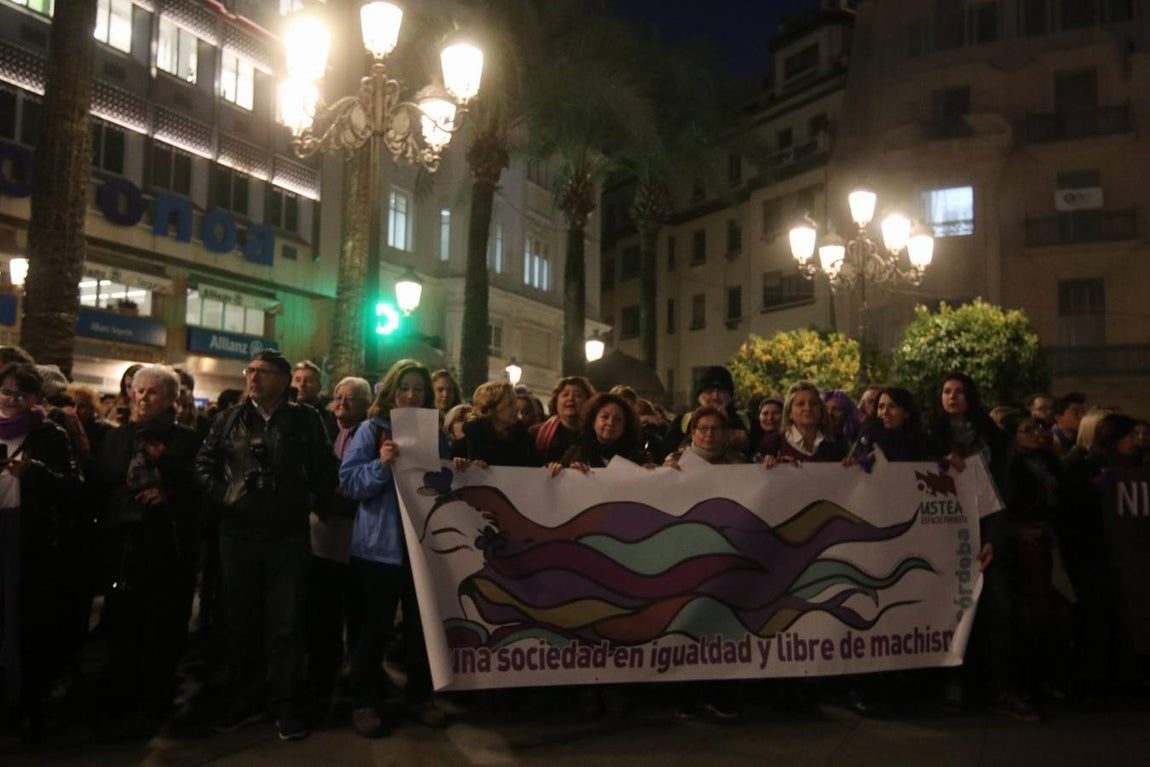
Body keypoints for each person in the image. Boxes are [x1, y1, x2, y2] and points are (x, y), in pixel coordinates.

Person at [194, 350, 338, 742]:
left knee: (286, 623)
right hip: (237, 535)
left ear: (285, 379)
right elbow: (203, 465)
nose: (253, 378)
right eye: (250, 371)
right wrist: (229, 497)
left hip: (287, 536)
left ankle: (285, 703)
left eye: (263, 372)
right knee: (240, 620)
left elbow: (325, 468)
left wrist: (313, 503)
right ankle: (244, 697)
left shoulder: (306, 421)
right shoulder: (227, 419)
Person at [90, 365, 202, 737]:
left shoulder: (188, 442)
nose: (142, 398)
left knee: (162, 626)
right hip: (123, 546)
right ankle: (119, 696)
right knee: (122, 624)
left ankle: (154, 701)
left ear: (172, 399)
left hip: (167, 548)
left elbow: (201, 493)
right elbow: (102, 484)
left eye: (152, 392)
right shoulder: (116, 438)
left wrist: (170, 497)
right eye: (138, 391)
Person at [339, 360, 448, 738]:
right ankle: (365, 702)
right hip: (378, 549)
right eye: (405, 387)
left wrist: (460, 467)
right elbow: (350, 482)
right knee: (373, 629)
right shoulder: (371, 430)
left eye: (419, 388)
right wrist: (381, 466)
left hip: (421, 547)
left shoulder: (435, 432)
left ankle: (420, 697)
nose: (412, 395)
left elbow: (443, 481)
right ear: (391, 391)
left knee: (422, 628)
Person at [927, 372, 1035, 721]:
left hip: (986, 538)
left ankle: (1001, 689)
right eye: (946, 391)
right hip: (943, 538)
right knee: (951, 615)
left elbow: (1002, 494)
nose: (952, 397)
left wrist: (992, 539)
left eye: (959, 391)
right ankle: (952, 685)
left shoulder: (995, 440)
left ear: (971, 397)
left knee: (998, 611)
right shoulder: (929, 437)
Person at [0, 363, 81, 742]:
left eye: (21, 394)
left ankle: (28, 704)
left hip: (28, 538)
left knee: (26, 623)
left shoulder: (49, 434)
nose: (12, 400)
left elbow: (72, 487)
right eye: (6, 392)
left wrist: (32, 472)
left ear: (36, 399)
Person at [663, 406, 743, 719]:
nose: (709, 434)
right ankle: (687, 696)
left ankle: (719, 694)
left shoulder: (739, 465)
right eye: (703, 428)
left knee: (721, 629)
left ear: (725, 434)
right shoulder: (675, 463)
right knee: (689, 625)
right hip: (688, 558)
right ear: (693, 432)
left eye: (715, 428)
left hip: (726, 559)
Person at [305, 376, 372, 714]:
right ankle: (322, 676)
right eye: (338, 397)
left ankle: (356, 675)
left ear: (365, 404)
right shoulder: (323, 432)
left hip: (357, 534)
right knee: (323, 610)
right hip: (324, 533)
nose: (342, 403)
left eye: (351, 399)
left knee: (355, 611)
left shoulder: (372, 435)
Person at [549, 392, 652, 475]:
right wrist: (560, 470)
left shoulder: (638, 458)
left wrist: (652, 472)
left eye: (618, 419)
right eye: (605, 417)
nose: (610, 423)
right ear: (593, 421)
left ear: (625, 426)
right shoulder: (575, 454)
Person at [453, 381, 543, 468]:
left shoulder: (525, 442)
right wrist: (465, 466)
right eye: (510, 404)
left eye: (515, 402)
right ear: (491, 408)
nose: (516, 408)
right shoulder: (467, 444)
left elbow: (537, 469)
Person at [665, 366, 750, 456]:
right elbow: (668, 455)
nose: (715, 397)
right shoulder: (682, 423)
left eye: (721, 391)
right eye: (709, 391)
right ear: (699, 396)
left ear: (730, 395)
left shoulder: (746, 422)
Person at [758, 381, 845, 467]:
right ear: (790, 413)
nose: (808, 408)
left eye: (813, 403)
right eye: (800, 404)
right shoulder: (773, 444)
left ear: (821, 411)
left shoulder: (837, 444)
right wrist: (771, 463)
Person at [853, 387, 942, 464]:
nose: (885, 412)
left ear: (906, 413)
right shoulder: (867, 438)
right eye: (881, 407)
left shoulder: (923, 442)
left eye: (892, 406)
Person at [531, 377, 593, 463]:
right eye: (565, 394)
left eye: (577, 395)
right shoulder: (535, 433)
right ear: (556, 401)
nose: (570, 398)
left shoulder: (595, 434)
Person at [293, 361, 337, 440]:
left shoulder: (327, 415)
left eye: (308, 381)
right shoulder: (282, 411)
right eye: (297, 380)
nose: (302, 385)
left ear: (319, 386)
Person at [1050, 392, 1087, 458]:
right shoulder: (1051, 442)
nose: (1082, 416)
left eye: (1083, 412)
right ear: (1058, 417)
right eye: (1076, 413)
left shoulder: (1082, 437)